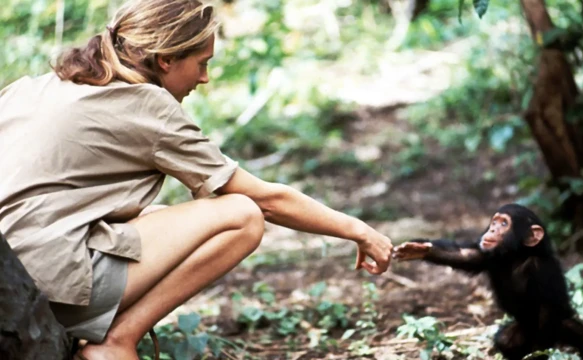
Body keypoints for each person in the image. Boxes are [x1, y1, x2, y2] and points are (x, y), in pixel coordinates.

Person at [0, 1, 393, 359]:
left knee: (157, 214)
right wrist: (357, 230)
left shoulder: (32, 88)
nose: (204, 78)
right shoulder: (146, 104)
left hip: (13, 276)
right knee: (241, 214)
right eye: (202, 63)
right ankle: (117, 341)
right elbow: (266, 200)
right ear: (167, 59)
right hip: (50, 282)